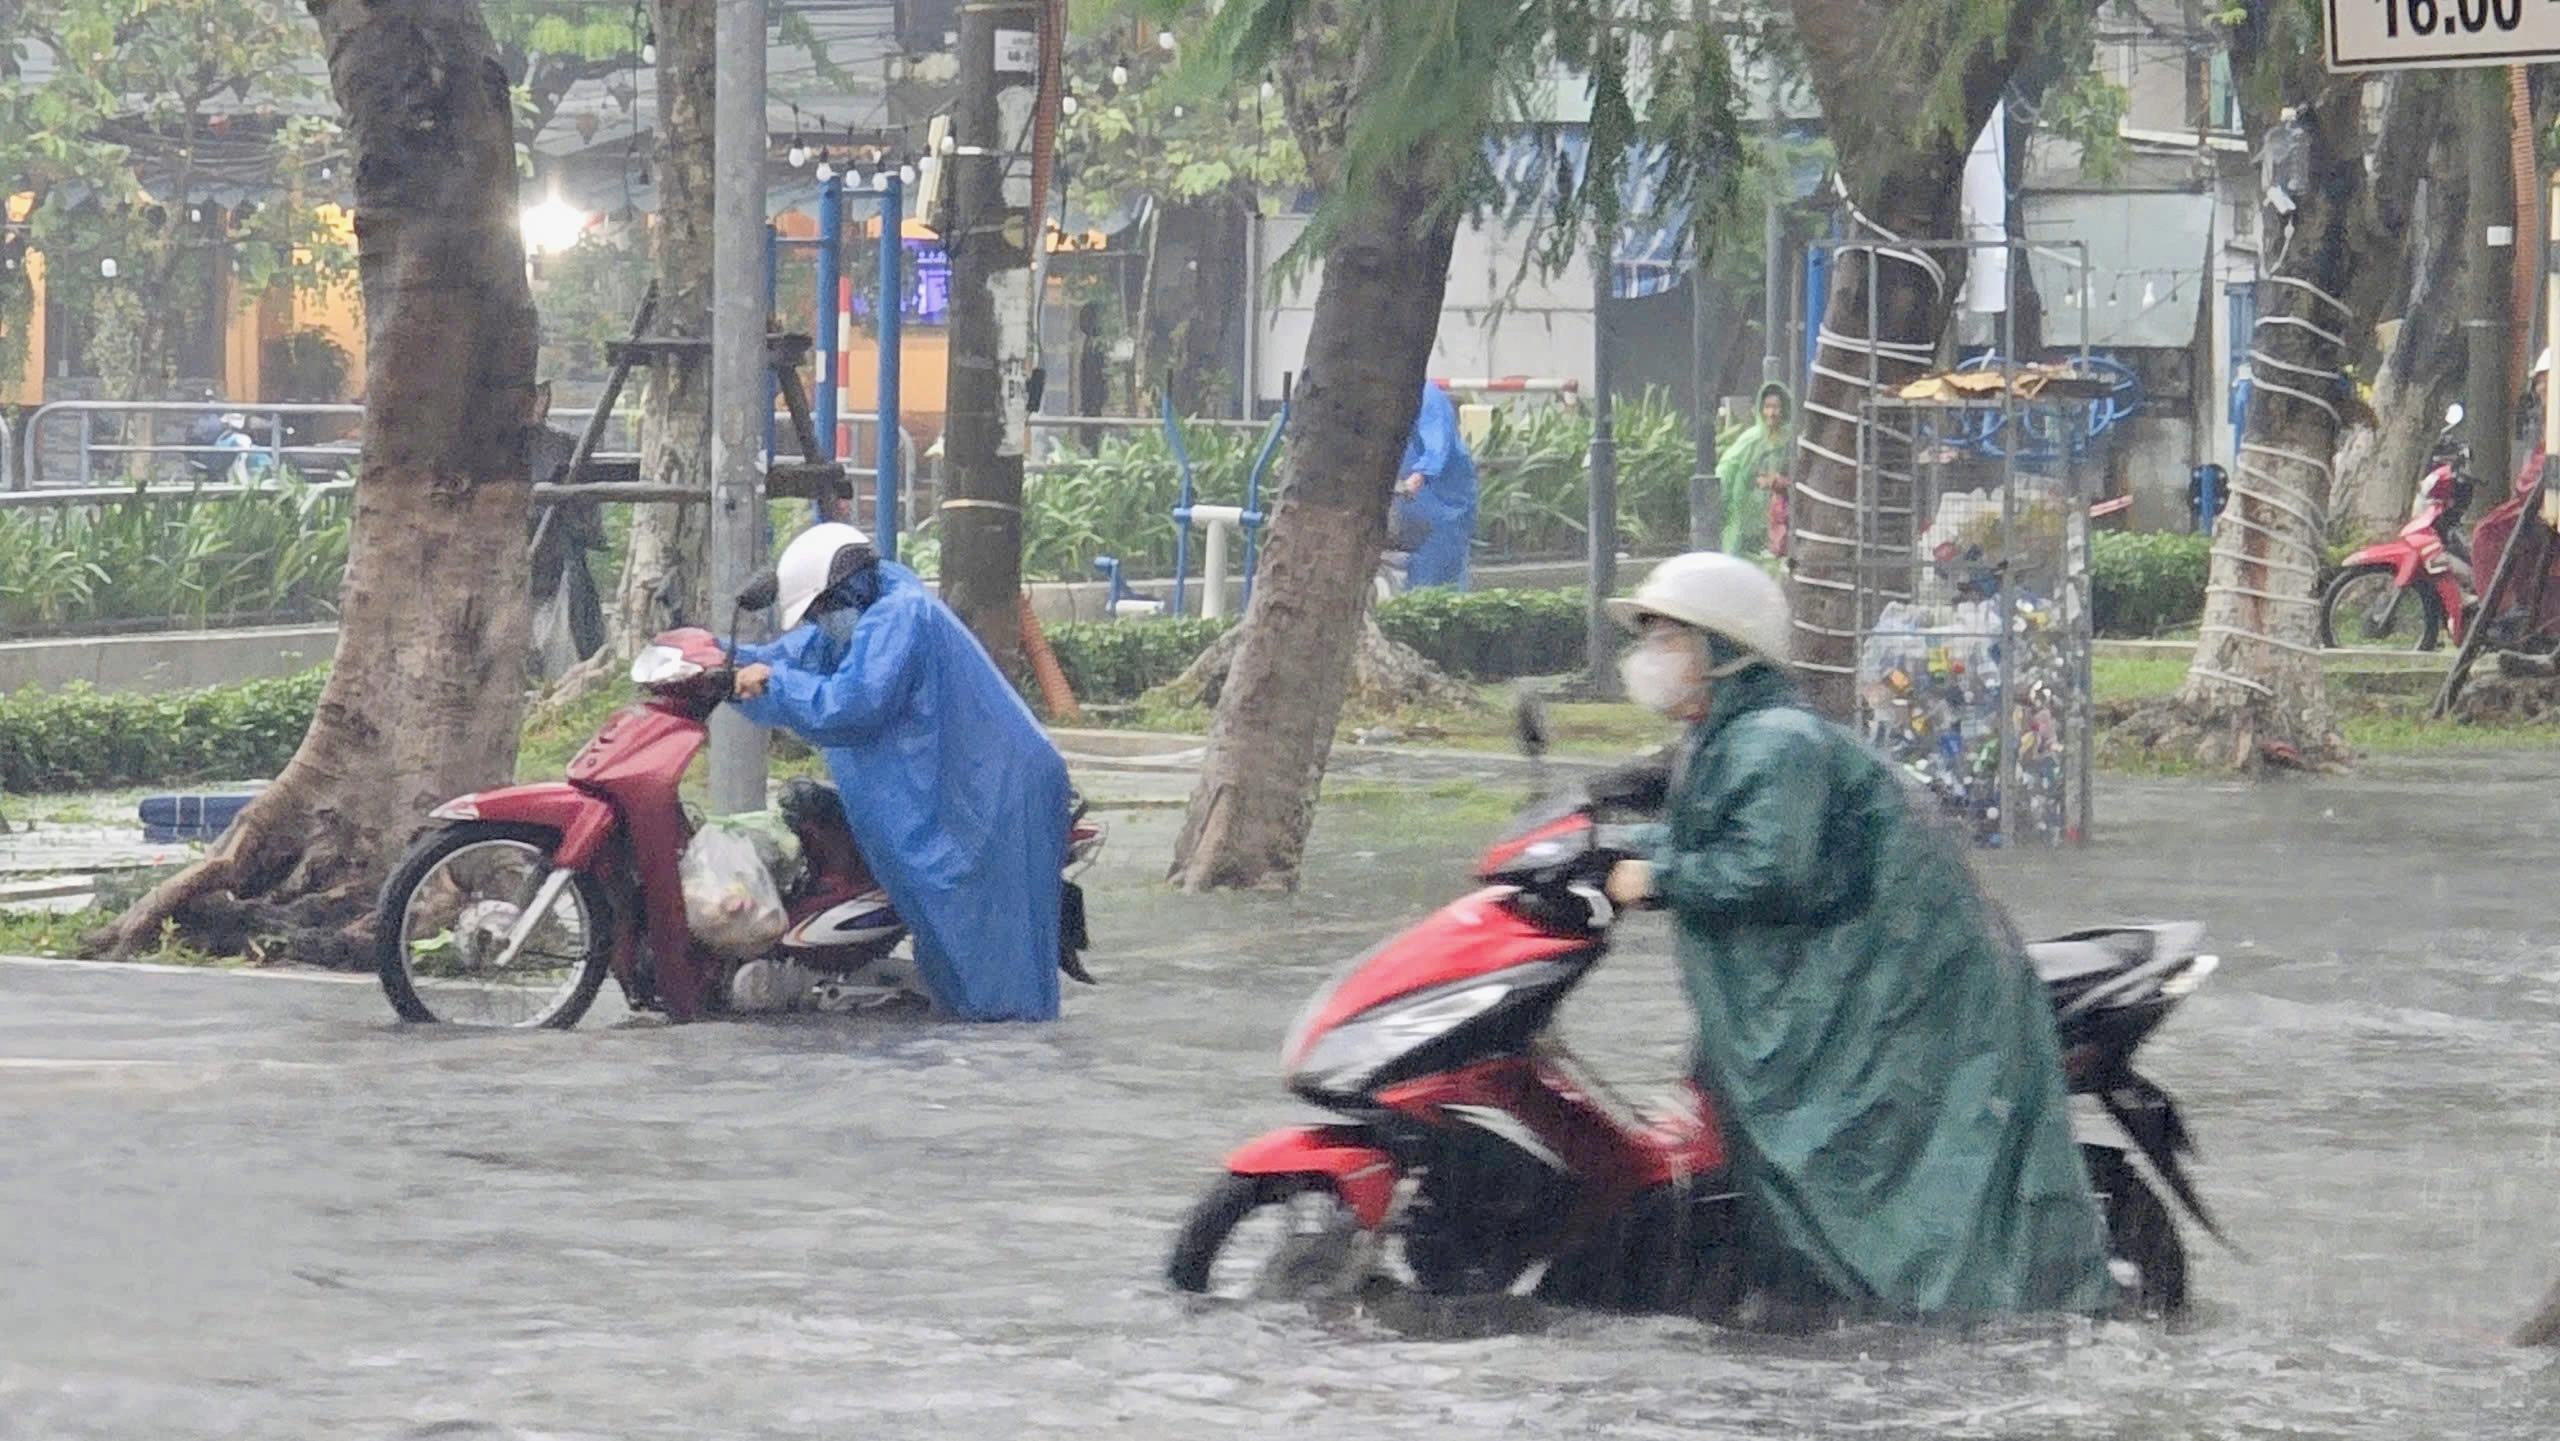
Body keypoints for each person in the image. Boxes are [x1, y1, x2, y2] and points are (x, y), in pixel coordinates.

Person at [1598, 552, 2113, 1323]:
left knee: (1883, 1173)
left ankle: (1941, 1320)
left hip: (1902, 990)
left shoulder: (1774, 741)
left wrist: (1657, 877)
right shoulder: (1728, 735)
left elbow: (1768, 866)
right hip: (1862, 978)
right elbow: (1711, 827)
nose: (1653, 660)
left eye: (1671, 638)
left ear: (1726, 649)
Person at [728, 523, 1074, 1022]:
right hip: (968, 796)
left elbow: (852, 705)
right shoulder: (869, 616)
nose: (821, 622)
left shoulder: (900, 617)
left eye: (823, 609)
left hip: (999, 798)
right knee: (953, 956)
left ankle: (1010, 1070)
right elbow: (794, 655)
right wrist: (714, 660)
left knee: (996, 975)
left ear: (844, 588)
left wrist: (775, 685)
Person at [1392, 382, 1479, 590]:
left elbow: (1436, 442)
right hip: (1405, 501)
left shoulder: (1425, 396)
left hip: (1438, 500)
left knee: (1437, 574)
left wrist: (1418, 476)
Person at [1713, 382, 1793, 558]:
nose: (1772, 413)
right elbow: (1727, 468)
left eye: (1777, 407)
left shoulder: (1790, 441)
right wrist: (1718, 501)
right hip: (1744, 512)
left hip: (1776, 517)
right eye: (1767, 407)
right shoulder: (1751, 440)